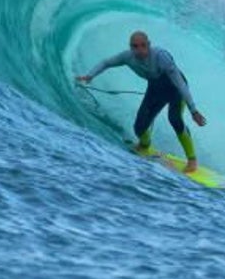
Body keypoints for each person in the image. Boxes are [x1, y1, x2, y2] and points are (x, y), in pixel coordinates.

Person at [76, 31, 207, 173]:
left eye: (143, 46)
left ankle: (192, 160)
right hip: (156, 89)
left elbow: (180, 84)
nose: (139, 50)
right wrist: (90, 76)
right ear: (131, 47)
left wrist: (193, 110)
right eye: (135, 46)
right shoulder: (128, 57)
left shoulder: (161, 57)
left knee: (174, 119)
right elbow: (106, 63)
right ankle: (145, 145)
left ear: (149, 45)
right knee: (139, 127)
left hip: (176, 89)